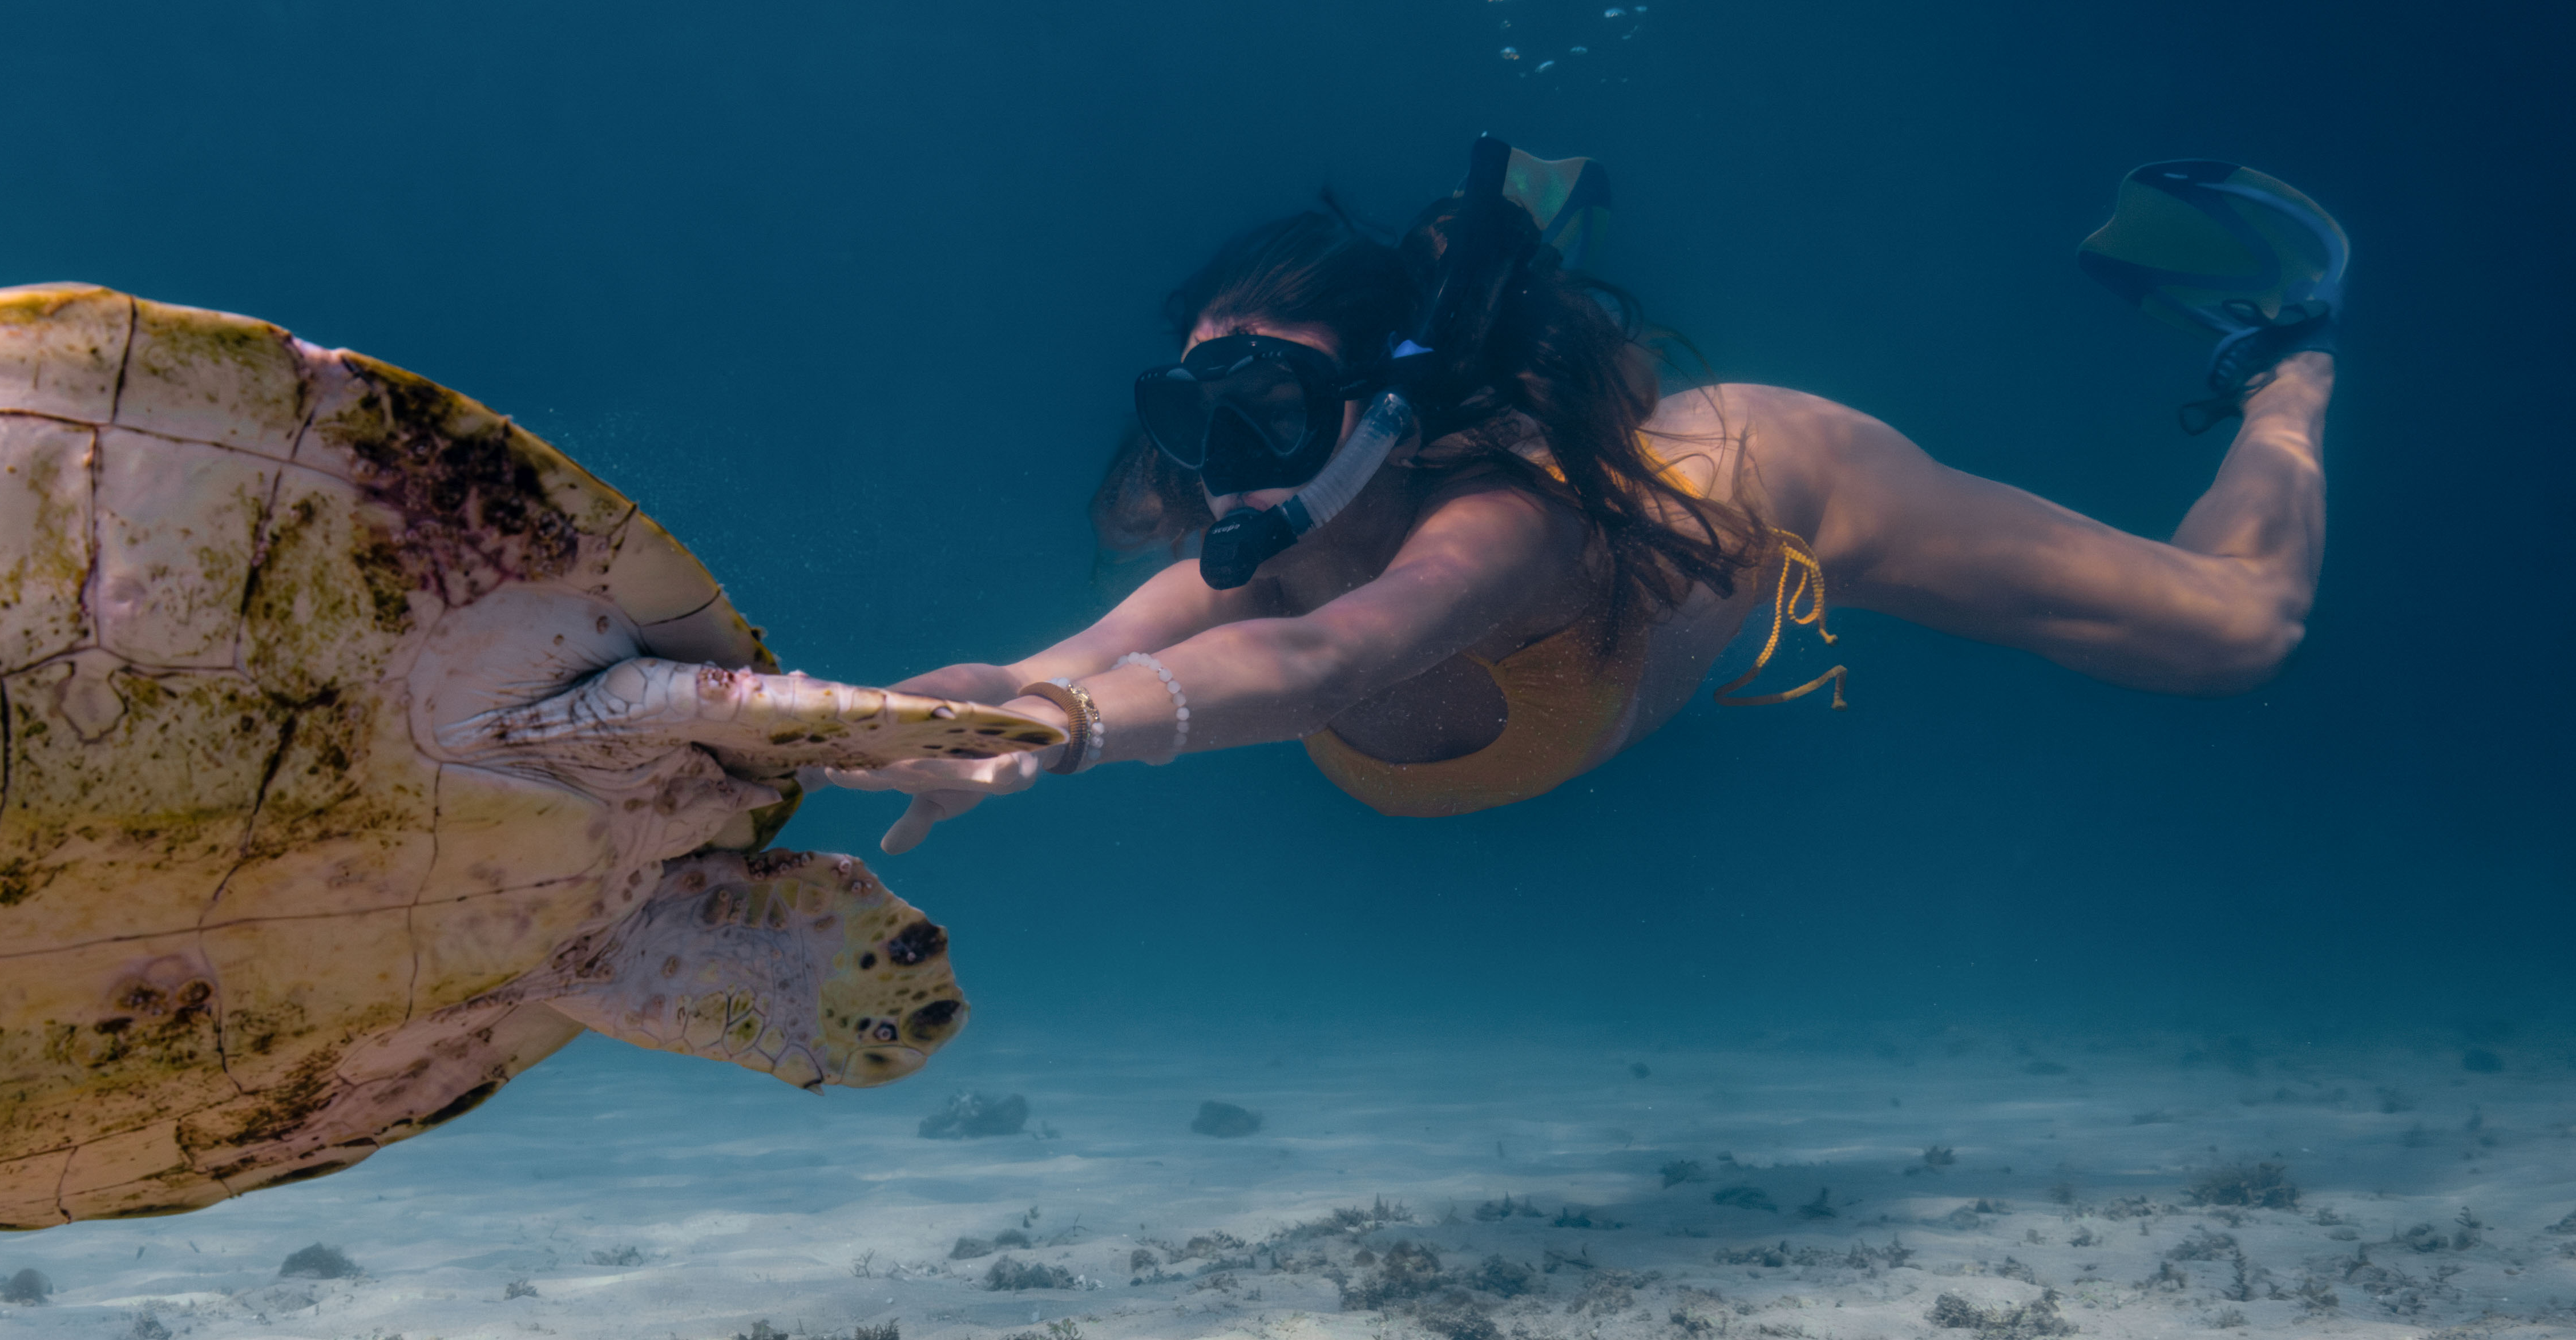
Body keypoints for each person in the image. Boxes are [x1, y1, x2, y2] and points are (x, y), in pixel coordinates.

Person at [837, 143, 2339, 851]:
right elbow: (1062, 662)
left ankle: (2284, 363)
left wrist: (1067, 737)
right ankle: (1534, 230)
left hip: (1758, 475)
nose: (1225, 455)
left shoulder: (1504, 528)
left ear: (1381, 413)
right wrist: (921, 725)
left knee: (2237, 635)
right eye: (1191, 407)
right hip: (1573, 482)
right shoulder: (1254, 536)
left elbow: (1324, 665)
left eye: (1270, 406)